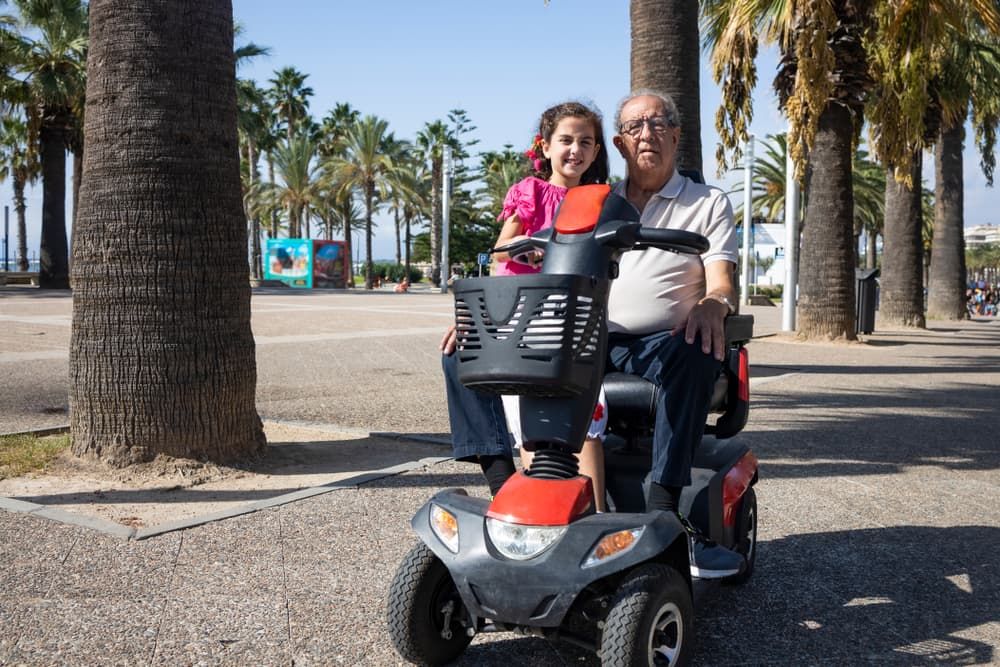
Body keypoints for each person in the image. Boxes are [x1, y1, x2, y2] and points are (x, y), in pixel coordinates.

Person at [441, 91, 745, 578]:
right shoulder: (594, 199)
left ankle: (667, 513)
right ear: (621, 145)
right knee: (463, 355)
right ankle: (505, 484)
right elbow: (518, 262)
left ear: (676, 135)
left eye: (659, 122)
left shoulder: (706, 202)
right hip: (587, 333)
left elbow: (722, 279)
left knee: (694, 347)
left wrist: (714, 303)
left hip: (662, 341)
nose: (647, 133)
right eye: (635, 126)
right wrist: (486, 318)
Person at [440, 101, 611, 510]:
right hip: (523, 312)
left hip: (574, 318)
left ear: (597, 150)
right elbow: (501, 250)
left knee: (584, 415)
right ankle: (515, 491)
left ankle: (596, 511)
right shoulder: (530, 192)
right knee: (517, 406)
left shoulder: (601, 200)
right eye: (566, 140)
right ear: (546, 146)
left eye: (586, 142)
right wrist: (534, 251)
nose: (576, 150)